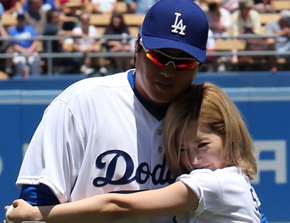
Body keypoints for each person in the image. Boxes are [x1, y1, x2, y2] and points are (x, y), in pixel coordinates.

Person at [4, 0, 268, 222]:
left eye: (183, 63)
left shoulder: (200, 118)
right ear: (137, 50)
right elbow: (35, 203)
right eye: (158, 57)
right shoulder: (80, 103)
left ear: (199, 67)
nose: (167, 70)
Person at [6, 82, 264, 222]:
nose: (193, 160)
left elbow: (116, 205)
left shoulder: (212, 183)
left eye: (202, 145)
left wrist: (37, 214)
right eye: (181, 149)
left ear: (228, 135)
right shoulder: (234, 179)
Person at [7, 11, 40, 76]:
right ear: (17, 19)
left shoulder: (30, 29)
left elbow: (35, 41)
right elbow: (13, 44)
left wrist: (30, 50)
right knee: (20, 62)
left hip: (30, 51)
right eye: (19, 18)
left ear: (24, 19)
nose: (21, 20)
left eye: (22, 18)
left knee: (35, 61)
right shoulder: (13, 30)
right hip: (19, 52)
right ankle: (20, 81)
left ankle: (35, 79)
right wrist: (23, 51)